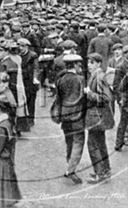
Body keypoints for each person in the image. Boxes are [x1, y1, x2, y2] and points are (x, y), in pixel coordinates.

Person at [55, 54, 86, 184]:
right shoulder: (79, 79)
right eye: (79, 65)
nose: (80, 67)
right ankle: (71, 170)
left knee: (69, 141)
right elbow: (82, 98)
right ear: (75, 65)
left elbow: (58, 98)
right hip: (77, 115)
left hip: (64, 114)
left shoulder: (60, 79)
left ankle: (69, 163)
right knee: (78, 142)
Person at [85, 53, 113, 184]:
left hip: (97, 117)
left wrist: (89, 93)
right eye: (88, 62)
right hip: (98, 116)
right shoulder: (96, 75)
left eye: (91, 63)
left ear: (98, 64)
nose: (88, 65)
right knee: (100, 143)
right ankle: (105, 169)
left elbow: (105, 98)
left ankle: (99, 173)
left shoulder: (100, 77)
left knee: (93, 145)